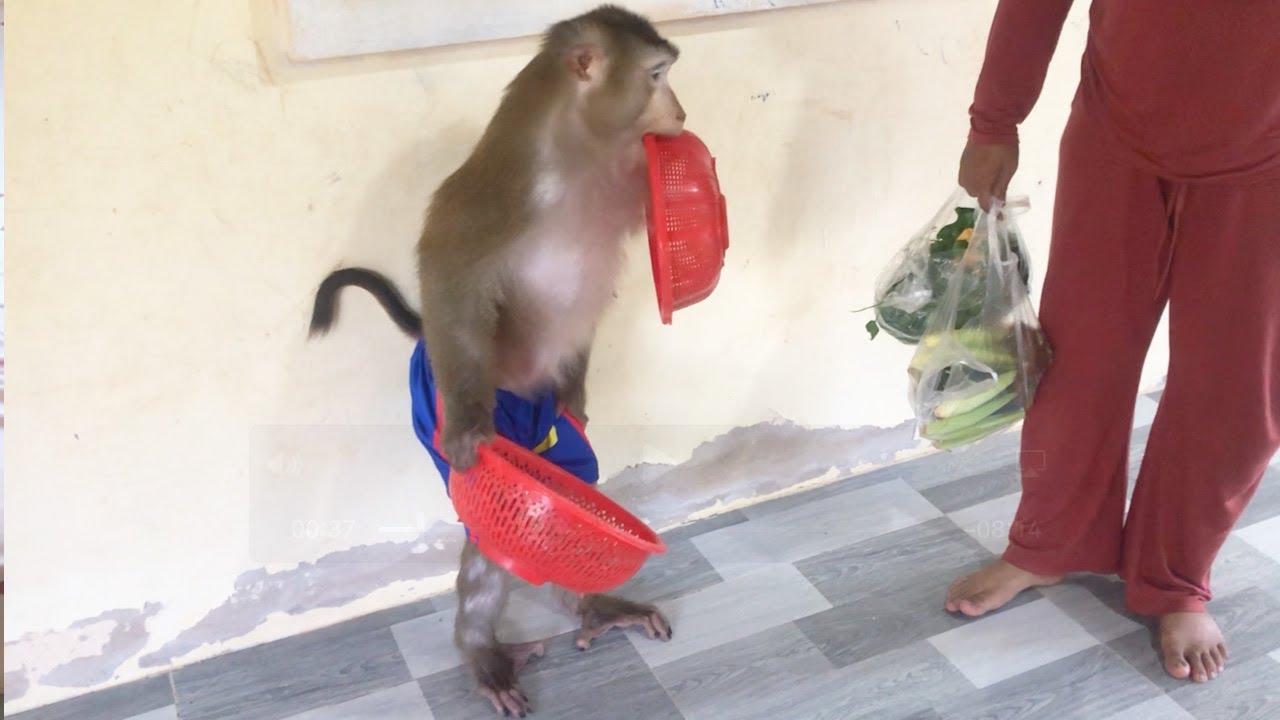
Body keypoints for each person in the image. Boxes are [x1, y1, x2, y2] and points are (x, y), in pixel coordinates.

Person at [943, 0, 1280, 684]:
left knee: (1238, 393)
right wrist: (994, 121)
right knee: (1075, 365)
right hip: (1117, 134)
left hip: (1268, 165)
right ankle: (1048, 543)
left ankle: (1176, 577)